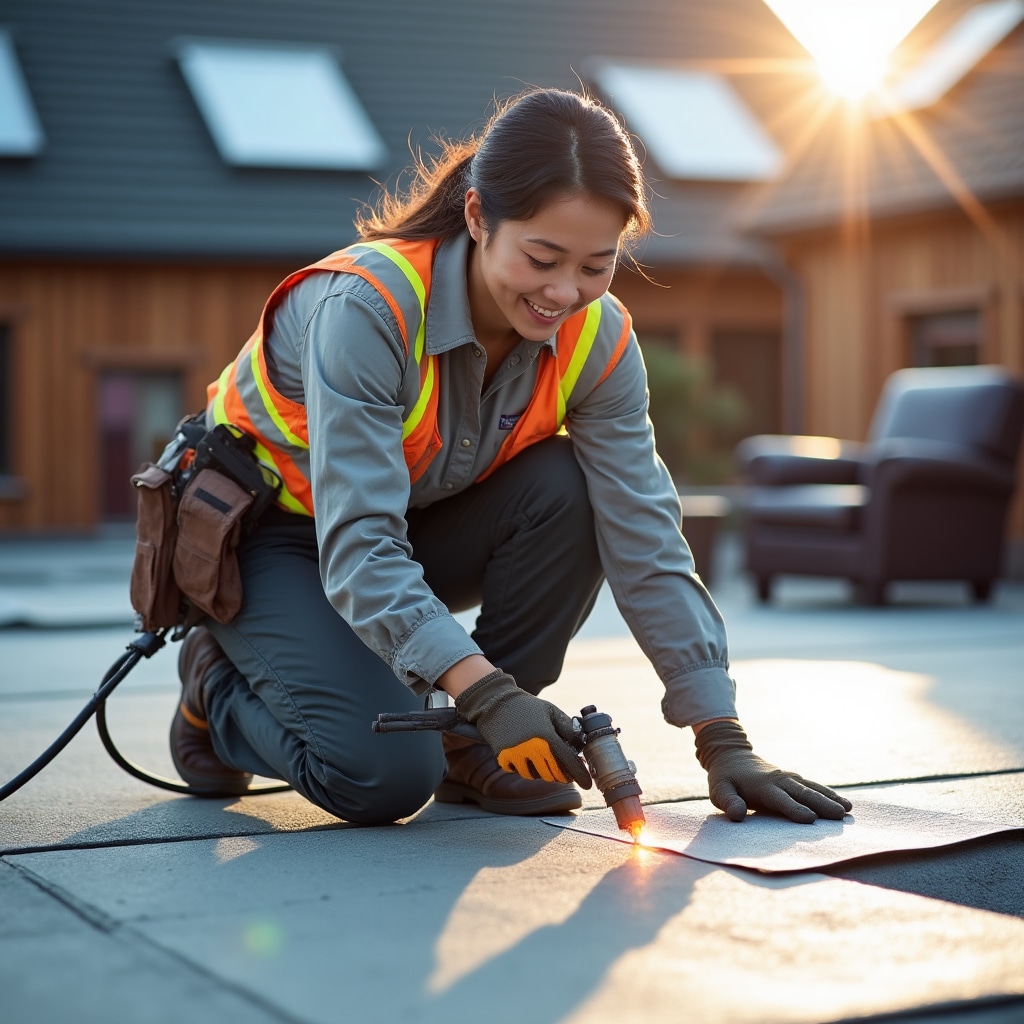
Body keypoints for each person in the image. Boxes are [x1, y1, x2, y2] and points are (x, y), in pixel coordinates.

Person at [170, 87, 852, 827]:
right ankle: (215, 689)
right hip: (270, 541)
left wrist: (721, 735)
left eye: (596, 266)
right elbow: (359, 544)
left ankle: (473, 750)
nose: (565, 293)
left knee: (571, 487)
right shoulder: (368, 310)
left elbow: (645, 532)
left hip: (407, 529)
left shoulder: (599, 339)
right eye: (542, 258)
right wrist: (491, 694)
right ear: (476, 218)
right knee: (383, 776)